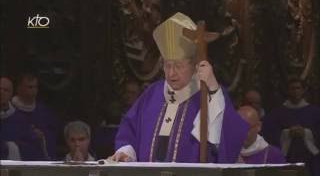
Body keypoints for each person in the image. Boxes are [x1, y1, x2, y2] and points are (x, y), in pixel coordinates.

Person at [110, 12, 249, 163]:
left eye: (178, 66)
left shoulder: (208, 95)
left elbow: (230, 135)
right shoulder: (152, 94)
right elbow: (129, 129)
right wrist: (126, 152)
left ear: (194, 65)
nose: (171, 73)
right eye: (167, 65)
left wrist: (213, 88)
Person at [262, 77, 320, 176]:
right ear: (288, 91)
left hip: (311, 159)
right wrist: (287, 133)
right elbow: (269, 133)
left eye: (298, 88)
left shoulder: (315, 112)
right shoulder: (277, 112)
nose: (295, 91)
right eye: (292, 88)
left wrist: (306, 133)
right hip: (287, 158)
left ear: (303, 90)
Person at [11, 71, 58, 160]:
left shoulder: (44, 111)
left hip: (40, 160)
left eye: (35, 87)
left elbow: (53, 134)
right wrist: (29, 134)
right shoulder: (10, 110)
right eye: (29, 87)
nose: (33, 90)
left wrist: (43, 136)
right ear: (19, 88)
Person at [0, 76, 21, 160]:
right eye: (0, 89)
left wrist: (11, 147)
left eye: (6, 90)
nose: (1, 92)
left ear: (11, 94)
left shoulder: (20, 119)